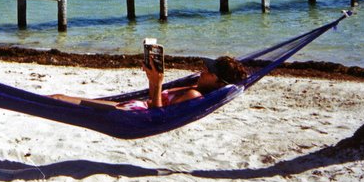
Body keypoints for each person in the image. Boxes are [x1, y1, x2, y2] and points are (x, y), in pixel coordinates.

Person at [50, 53, 248, 111]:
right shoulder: (193, 86)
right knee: (61, 98)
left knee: (64, 101)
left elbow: (158, 115)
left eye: (207, 71)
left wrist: (158, 81)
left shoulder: (194, 95)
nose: (201, 71)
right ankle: (26, 101)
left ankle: (25, 103)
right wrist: (152, 78)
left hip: (134, 113)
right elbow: (154, 101)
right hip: (135, 107)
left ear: (217, 81)